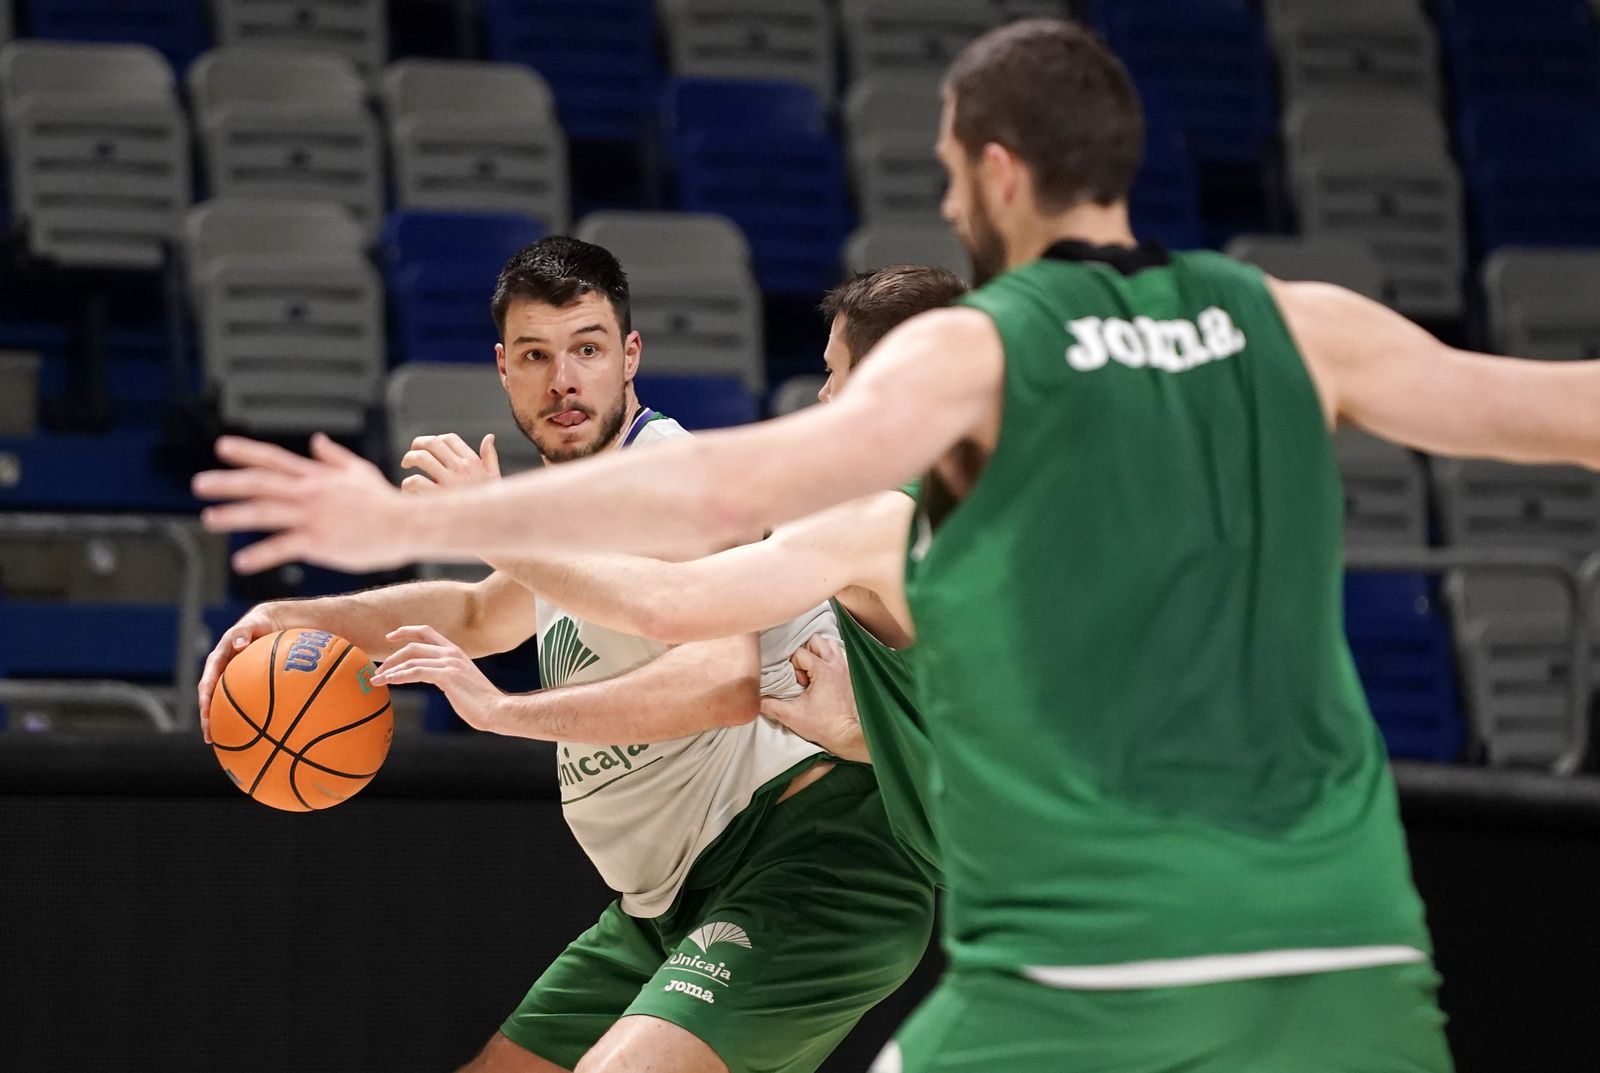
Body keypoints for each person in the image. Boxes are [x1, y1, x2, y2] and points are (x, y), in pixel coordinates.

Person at [192, 16, 1600, 1071]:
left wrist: (429, 516)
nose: (943, 199)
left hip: (1094, 948)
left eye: (944, 172)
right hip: (1345, 928)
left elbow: (705, 518)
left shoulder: (963, 373)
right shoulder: (1300, 322)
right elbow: (1556, 409)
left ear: (996, 173)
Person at [195, 236, 934, 1073]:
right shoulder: (580, 502)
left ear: (629, 357)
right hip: (668, 896)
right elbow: (479, 612)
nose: (563, 381)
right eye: (537, 355)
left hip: (802, 856)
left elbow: (718, 680)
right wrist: (291, 614)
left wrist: (502, 709)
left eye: (586, 349)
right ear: (504, 370)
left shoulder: (672, 476)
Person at [390, 264, 969, 884]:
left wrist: (492, 531)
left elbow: (673, 602)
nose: (824, 397)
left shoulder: (876, 522)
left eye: (835, 374)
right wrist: (860, 735)